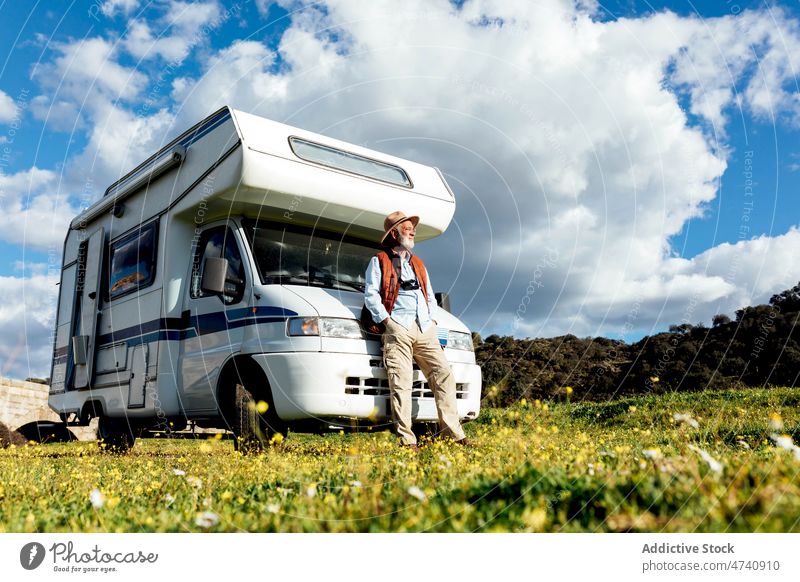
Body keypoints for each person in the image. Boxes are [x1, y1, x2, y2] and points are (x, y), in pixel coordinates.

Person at [364, 210, 473, 450]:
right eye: (406, 228)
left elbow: (429, 296)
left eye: (412, 228)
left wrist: (432, 321)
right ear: (394, 233)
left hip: (425, 328)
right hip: (398, 327)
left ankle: (453, 434)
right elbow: (371, 295)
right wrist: (388, 322)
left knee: (444, 374)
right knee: (401, 382)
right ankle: (407, 440)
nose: (413, 231)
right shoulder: (379, 260)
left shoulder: (418, 263)